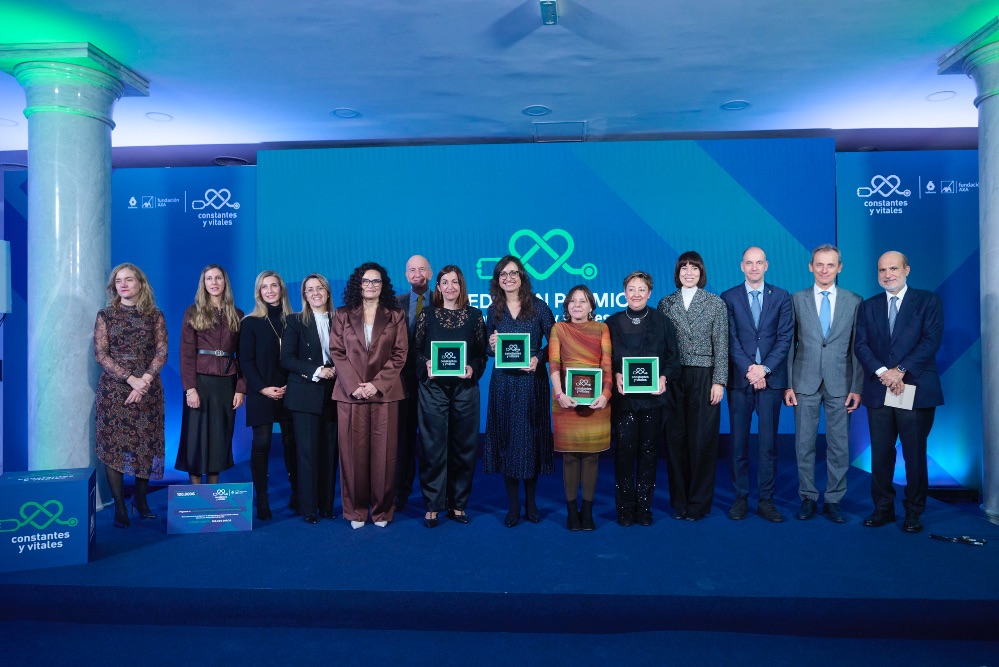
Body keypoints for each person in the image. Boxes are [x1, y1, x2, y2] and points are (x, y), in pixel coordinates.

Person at [854, 251, 943, 533]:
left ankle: (913, 512)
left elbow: (931, 341)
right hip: (880, 390)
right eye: (882, 270)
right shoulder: (868, 307)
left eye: (893, 268)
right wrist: (884, 373)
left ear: (907, 270)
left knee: (914, 455)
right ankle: (883, 509)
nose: (888, 274)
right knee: (880, 454)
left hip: (913, 388)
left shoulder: (927, 301)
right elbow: (861, 345)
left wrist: (900, 370)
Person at [784, 245, 863, 523]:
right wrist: (788, 384)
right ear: (810, 266)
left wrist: (857, 387)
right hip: (803, 381)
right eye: (819, 264)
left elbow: (858, 348)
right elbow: (789, 346)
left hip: (841, 383)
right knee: (803, 443)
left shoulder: (854, 301)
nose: (824, 270)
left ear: (839, 267)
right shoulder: (796, 299)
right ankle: (808, 496)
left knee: (839, 445)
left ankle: (834, 499)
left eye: (830, 265)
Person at [330, 262, 408, 529]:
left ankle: (382, 511)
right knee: (353, 455)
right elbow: (337, 352)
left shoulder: (395, 315)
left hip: (384, 393)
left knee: (384, 455)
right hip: (350, 394)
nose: (371, 286)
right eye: (366, 281)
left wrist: (375, 384)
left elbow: (400, 354)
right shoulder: (342, 314)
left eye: (376, 282)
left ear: (383, 285)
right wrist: (355, 385)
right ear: (358, 284)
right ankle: (355, 511)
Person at [720, 247, 794, 523]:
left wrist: (764, 369)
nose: (754, 268)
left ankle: (766, 500)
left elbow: (785, 338)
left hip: (771, 380)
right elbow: (730, 338)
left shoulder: (782, 297)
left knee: (768, 445)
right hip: (741, 381)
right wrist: (750, 370)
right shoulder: (728, 297)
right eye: (749, 263)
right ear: (741, 266)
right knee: (738, 444)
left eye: (758, 263)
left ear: (767, 265)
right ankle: (740, 498)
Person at [483, 255, 556, 527]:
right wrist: (491, 344)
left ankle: (532, 502)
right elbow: (489, 350)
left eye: (513, 273)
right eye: (503, 274)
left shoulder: (538, 308)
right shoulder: (493, 310)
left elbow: (556, 342)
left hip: (530, 384)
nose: (508, 278)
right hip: (502, 383)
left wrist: (538, 357)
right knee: (508, 441)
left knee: (530, 440)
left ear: (522, 277)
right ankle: (513, 505)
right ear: (497, 279)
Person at [94, 263, 168, 528]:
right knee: (114, 446)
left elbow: (161, 352)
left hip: (147, 389)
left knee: (144, 445)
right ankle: (120, 507)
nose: (123, 284)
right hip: (115, 390)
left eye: (128, 279)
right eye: (118, 281)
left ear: (140, 283)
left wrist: (144, 380)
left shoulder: (154, 315)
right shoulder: (106, 315)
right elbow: (101, 354)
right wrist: (130, 379)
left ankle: (141, 499)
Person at [413, 265, 487, 528]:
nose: (450, 287)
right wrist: (426, 366)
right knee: (433, 448)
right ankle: (432, 505)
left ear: (461, 285)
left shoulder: (476, 316)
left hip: (465, 390)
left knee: (464, 449)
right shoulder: (428, 316)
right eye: (444, 282)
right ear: (439, 286)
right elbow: (416, 351)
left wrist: (473, 369)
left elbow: (481, 355)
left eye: (455, 282)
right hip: (433, 390)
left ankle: (458, 505)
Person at [657, 251, 729, 521]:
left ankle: (698, 503)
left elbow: (722, 344)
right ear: (677, 272)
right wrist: (662, 376)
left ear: (701, 273)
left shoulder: (715, 303)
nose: (689, 273)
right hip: (674, 376)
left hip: (704, 375)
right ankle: (680, 503)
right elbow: (662, 346)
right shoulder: (666, 303)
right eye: (684, 268)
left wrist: (719, 380)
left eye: (694, 268)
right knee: (675, 439)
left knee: (702, 440)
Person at [606, 271, 680, 527]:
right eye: (631, 289)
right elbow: (605, 360)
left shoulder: (662, 322)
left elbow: (673, 360)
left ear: (650, 293)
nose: (636, 294)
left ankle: (644, 507)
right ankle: (625, 508)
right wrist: (615, 373)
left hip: (652, 402)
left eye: (641, 289)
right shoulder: (611, 323)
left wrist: (664, 378)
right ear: (624, 292)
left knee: (648, 454)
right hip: (624, 402)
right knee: (624, 453)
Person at [549, 285, 611, 531]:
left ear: (591, 306)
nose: (577, 305)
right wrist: (560, 394)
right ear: (566, 307)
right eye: (572, 301)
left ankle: (588, 511)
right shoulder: (558, 328)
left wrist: (606, 394)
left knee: (592, 457)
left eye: (583, 301)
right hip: (566, 400)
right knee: (570, 457)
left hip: (596, 402)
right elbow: (554, 364)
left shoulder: (602, 329)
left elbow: (606, 364)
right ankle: (571, 511)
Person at [177, 264, 246, 484]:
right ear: (203, 283)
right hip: (200, 381)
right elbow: (186, 353)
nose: (214, 283)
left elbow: (244, 355)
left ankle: (212, 493)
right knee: (196, 437)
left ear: (225, 282)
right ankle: (197, 493)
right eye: (209, 278)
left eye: (218, 278)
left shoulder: (237, 314)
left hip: (227, 383)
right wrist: (190, 389)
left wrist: (241, 388)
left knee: (219, 437)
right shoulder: (193, 312)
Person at [281, 274, 339, 524]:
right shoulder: (295, 321)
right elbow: (286, 359)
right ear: (304, 295)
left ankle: (327, 506)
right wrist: (317, 370)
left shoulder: (341, 320)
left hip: (335, 394)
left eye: (319, 288)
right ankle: (309, 508)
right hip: (305, 394)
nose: (315, 293)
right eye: (309, 290)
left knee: (329, 452)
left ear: (327, 292)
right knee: (307, 453)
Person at [240, 271, 297, 521]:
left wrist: (287, 388)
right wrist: (264, 388)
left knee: (291, 443)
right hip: (261, 391)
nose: (270, 290)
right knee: (262, 443)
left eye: (274, 286)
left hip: (291, 391)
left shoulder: (294, 320)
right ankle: (261, 499)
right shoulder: (250, 322)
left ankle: (297, 493)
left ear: (282, 289)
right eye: (265, 287)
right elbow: (245, 361)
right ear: (259, 292)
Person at [395, 254, 433, 510]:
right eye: (412, 270)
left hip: (435, 380)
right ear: (406, 275)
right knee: (404, 440)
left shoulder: (444, 300)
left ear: (430, 273)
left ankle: (434, 495)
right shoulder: (395, 304)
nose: (417, 273)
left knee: (432, 440)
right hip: (404, 382)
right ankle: (401, 494)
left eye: (422, 269)